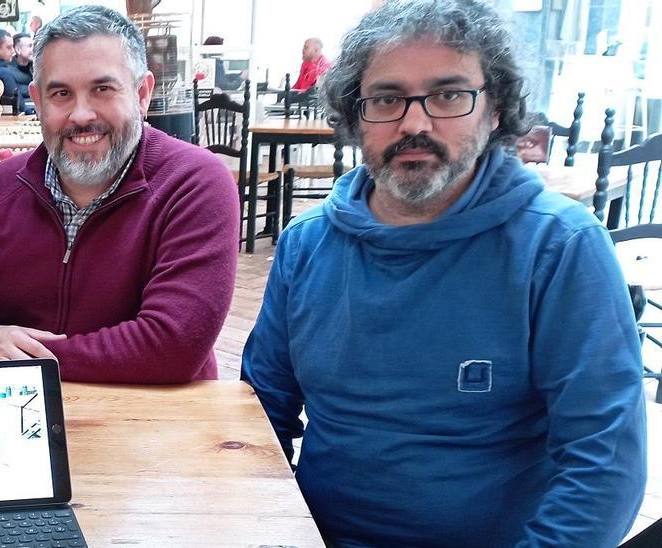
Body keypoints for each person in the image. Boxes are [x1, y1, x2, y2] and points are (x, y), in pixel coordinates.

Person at [240, 1, 646, 546]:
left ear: (495, 108)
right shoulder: (307, 243)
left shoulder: (559, 247)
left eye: (449, 95)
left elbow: (604, 463)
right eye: (387, 98)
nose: (414, 123)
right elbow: (261, 410)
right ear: (356, 116)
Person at [0, 5, 240, 383]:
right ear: (38, 101)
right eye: (61, 93)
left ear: (142, 94)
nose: (81, 115)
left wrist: (20, 362)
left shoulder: (193, 183)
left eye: (102, 89)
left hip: (156, 416)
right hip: (24, 414)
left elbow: (173, 346)